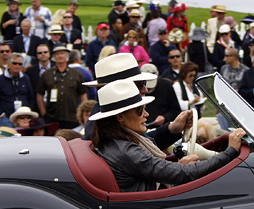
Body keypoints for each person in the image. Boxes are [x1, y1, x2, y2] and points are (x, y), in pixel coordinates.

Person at [89, 79, 244, 193]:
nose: (147, 114)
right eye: (140, 110)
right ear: (120, 117)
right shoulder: (126, 150)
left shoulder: (114, 141)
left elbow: (154, 166)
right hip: (149, 206)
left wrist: (177, 163)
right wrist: (230, 152)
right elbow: (185, 174)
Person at [37, 45, 86, 129]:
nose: (60, 56)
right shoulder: (46, 74)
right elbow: (39, 94)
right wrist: (44, 113)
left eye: (62, 53)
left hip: (72, 117)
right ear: (53, 57)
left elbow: (83, 94)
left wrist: (82, 114)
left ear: (66, 56)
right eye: (57, 54)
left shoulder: (76, 74)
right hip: (52, 116)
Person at [0, 51, 35, 127]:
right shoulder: (0, 80)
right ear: (9, 64)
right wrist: (2, 114)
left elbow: (31, 97)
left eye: (20, 64)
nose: (17, 66)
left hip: (23, 118)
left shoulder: (25, 79)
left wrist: (28, 111)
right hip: (7, 118)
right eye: (14, 63)